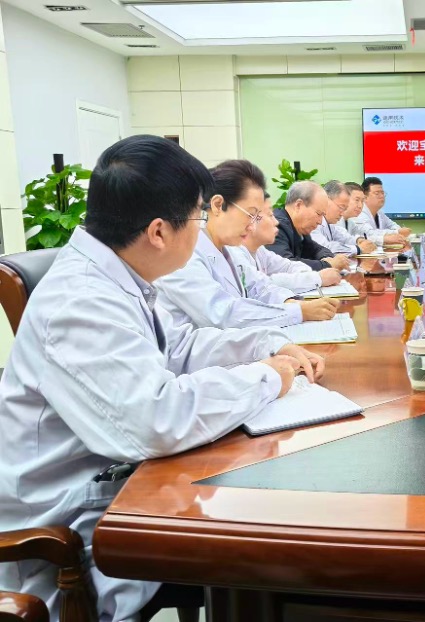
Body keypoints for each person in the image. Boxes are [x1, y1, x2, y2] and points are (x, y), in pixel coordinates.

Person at [0, 135, 324, 622]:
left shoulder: (119, 276)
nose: (201, 229)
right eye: (197, 217)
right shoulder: (80, 302)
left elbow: (179, 347)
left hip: (124, 489)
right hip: (71, 531)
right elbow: (156, 419)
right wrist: (265, 379)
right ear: (157, 232)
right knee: (276, 554)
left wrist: (267, 347)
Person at [157, 160, 340, 328]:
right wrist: (297, 312)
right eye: (251, 214)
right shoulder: (184, 254)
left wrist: (292, 304)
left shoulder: (230, 248)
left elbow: (260, 287)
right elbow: (223, 314)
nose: (253, 226)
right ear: (218, 205)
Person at [235, 192, 342, 293]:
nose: (276, 221)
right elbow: (260, 285)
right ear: (251, 218)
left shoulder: (260, 251)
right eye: (270, 215)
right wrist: (318, 278)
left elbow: (288, 266)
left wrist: (308, 276)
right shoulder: (235, 255)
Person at [267, 181, 352, 272]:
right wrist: (327, 265)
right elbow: (285, 266)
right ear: (298, 205)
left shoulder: (299, 228)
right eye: (318, 214)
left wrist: (327, 258)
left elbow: (317, 249)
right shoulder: (276, 227)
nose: (320, 222)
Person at [311, 180, 377, 255]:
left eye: (345, 209)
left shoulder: (329, 224)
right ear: (326, 200)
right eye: (341, 207)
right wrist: (358, 249)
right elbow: (325, 248)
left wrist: (358, 240)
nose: (342, 213)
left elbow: (344, 237)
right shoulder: (312, 221)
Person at [347, 176, 411, 246]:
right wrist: (397, 232)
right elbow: (369, 234)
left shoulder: (379, 212)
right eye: (377, 193)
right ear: (365, 197)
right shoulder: (358, 213)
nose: (381, 196)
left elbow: (391, 225)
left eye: (382, 193)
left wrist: (399, 231)